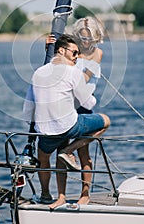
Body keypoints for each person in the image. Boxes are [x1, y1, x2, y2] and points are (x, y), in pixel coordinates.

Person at [23, 34, 110, 208]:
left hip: (45, 130)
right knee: (106, 121)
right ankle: (70, 150)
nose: (76, 57)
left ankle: (47, 195)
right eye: (74, 53)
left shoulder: (38, 72)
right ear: (61, 51)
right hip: (68, 124)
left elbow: (28, 110)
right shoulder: (72, 71)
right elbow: (89, 102)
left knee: (44, 156)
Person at [46, 16, 105, 206]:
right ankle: (61, 195)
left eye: (90, 38)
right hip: (66, 104)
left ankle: (85, 194)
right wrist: (49, 47)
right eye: (82, 37)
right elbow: (54, 65)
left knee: (83, 153)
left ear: (96, 37)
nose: (86, 41)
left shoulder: (97, 54)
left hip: (84, 105)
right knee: (59, 153)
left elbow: (84, 79)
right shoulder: (73, 51)